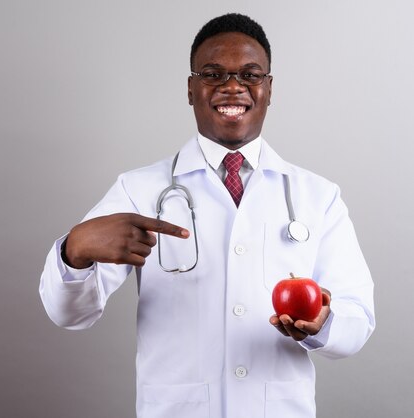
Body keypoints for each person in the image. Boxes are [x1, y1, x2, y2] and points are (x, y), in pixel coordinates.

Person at [39, 13, 375, 418]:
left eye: (250, 75)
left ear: (269, 89)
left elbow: (357, 321)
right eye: (213, 73)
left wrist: (322, 324)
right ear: (190, 89)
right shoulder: (139, 190)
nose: (233, 87)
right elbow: (68, 314)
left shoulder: (318, 196)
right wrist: (75, 250)